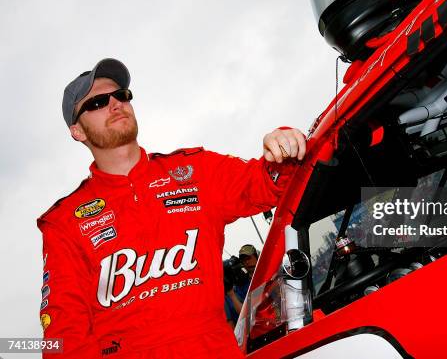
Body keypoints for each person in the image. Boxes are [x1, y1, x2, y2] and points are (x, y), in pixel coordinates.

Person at [37, 58, 306, 358]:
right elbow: (64, 338)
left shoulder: (194, 171)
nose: (115, 104)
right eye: (98, 102)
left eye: (122, 95)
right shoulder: (64, 222)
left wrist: (283, 147)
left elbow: (268, 184)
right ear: (78, 131)